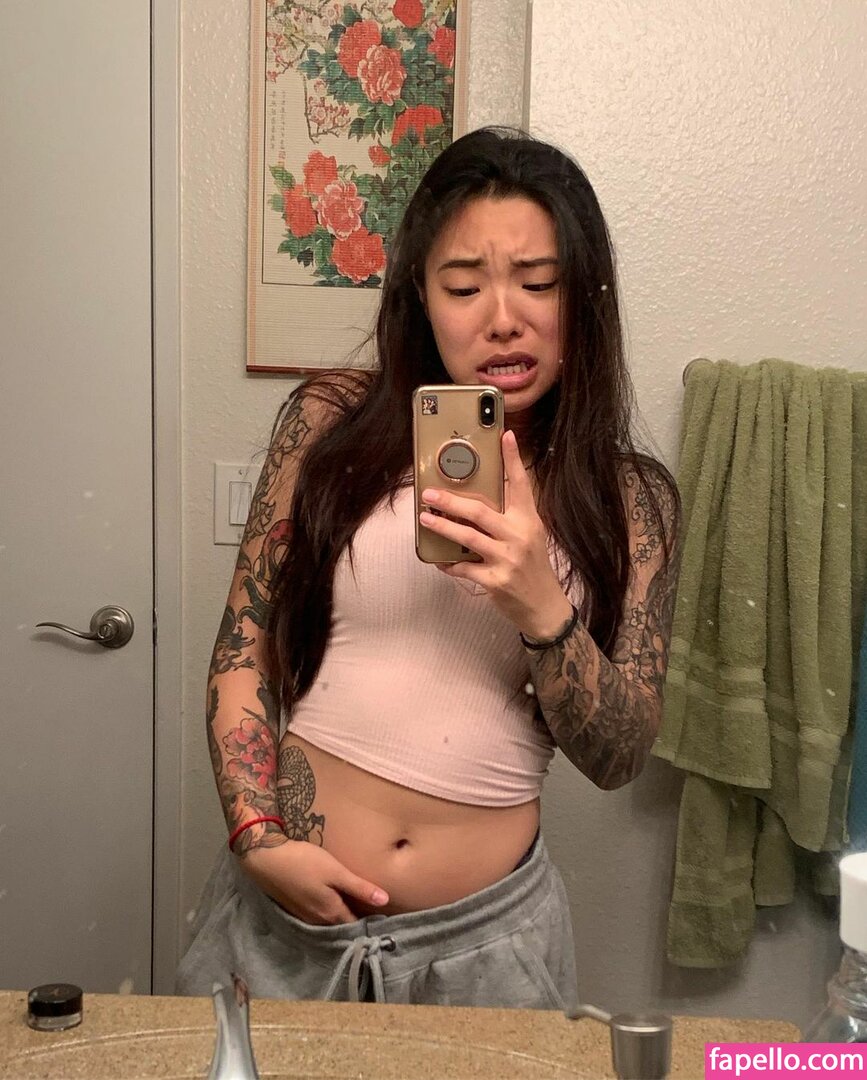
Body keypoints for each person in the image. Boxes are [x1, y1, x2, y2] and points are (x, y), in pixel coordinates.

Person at [176, 126, 681, 1010]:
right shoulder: (327, 424)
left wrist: (541, 607)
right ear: (421, 294)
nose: (501, 317)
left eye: (538, 283)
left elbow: (620, 754)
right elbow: (242, 649)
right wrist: (257, 837)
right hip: (287, 924)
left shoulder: (631, 499)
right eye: (463, 285)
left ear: (584, 295)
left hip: (488, 947)